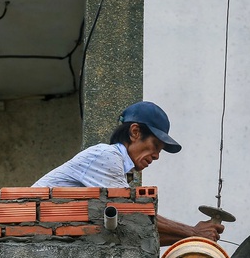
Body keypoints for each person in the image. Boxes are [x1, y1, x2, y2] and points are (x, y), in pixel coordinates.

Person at [32, 101, 224, 246]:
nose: (157, 156)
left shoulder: (116, 169)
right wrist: (192, 231)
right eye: (155, 146)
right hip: (30, 234)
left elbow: (139, 231)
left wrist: (192, 237)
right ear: (134, 132)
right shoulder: (107, 156)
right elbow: (133, 215)